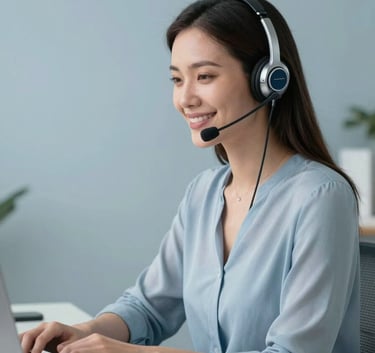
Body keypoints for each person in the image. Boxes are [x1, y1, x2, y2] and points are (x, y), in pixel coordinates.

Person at [20, 0, 360, 353]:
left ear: (268, 80)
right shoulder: (204, 194)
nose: (185, 98)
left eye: (205, 76)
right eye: (177, 79)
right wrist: (86, 331)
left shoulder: (321, 197)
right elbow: (148, 307)